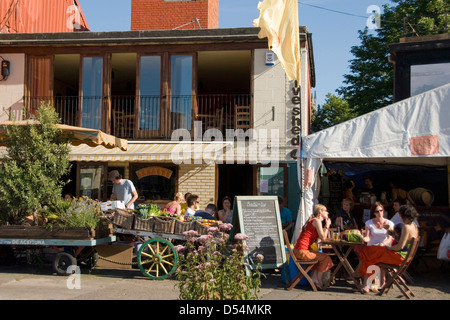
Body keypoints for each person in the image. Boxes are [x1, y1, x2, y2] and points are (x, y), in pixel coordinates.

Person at [358, 205, 419, 294]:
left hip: (399, 257)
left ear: (403, 215)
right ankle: (369, 283)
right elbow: (401, 240)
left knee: (368, 254)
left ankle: (365, 283)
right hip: (406, 257)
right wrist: (390, 231)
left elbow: (400, 246)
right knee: (371, 254)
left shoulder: (406, 227)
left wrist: (389, 248)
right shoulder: (414, 226)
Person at [293, 204, 334, 290]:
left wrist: (318, 240)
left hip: (300, 250)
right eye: (325, 211)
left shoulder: (314, 221)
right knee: (326, 258)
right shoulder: (317, 221)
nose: (327, 213)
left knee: (321, 258)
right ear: (320, 212)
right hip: (302, 251)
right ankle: (318, 280)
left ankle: (315, 279)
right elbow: (323, 237)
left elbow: (318, 237)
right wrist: (327, 225)